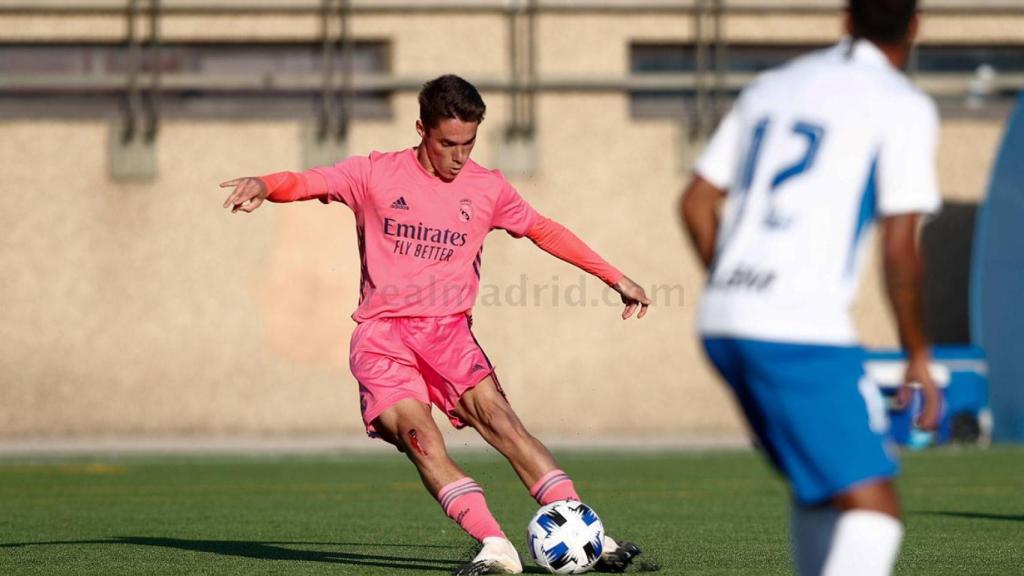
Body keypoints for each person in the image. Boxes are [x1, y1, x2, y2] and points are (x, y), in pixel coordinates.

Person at [221, 74, 648, 575]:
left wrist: (614, 276)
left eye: (468, 144)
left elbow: (542, 229)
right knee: (421, 438)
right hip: (383, 340)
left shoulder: (487, 188)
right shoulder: (374, 174)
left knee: (503, 425)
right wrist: (265, 185)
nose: (459, 156)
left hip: (449, 335)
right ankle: (496, 547)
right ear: (421, 128)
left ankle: (586, 531)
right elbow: (309, 181)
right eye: (448, 143)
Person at [679, 1, 940, 575]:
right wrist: (918, 352)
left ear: (846, 20)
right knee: (877, 512)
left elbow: (696, 202)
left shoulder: (773, 86)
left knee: (822, 489)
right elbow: (900, 247)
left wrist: (736, 283)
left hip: (723, 322)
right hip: (798, 329)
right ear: (916, 26)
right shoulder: (902, 105)